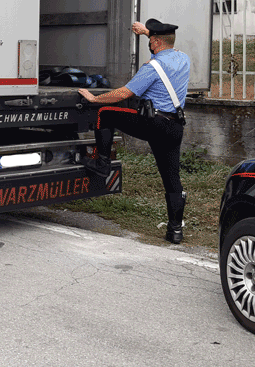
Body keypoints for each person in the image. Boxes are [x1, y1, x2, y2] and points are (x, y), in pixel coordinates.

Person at [77, 18, 191, 244]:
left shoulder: (152, 68)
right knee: (172, 179)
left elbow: (123, 94)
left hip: (153, 124)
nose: (149, 43)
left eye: (151, 40)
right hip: (175, 127)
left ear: (156, 42)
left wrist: (94, 98)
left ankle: (102, 164)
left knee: (105, 113)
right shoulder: (183, 58)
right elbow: (165, 41)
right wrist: (147, 31)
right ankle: (175, 230)